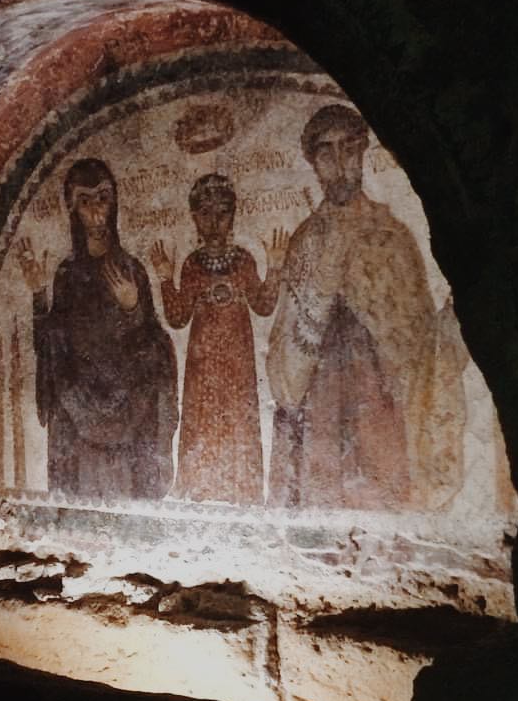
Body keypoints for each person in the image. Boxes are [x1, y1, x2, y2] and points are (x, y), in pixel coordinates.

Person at [266, 104, 437, 510]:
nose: (339, 163)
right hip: (320, 411)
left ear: (361, 152)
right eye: (326, 153)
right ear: (313, 162)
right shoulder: (305, 241)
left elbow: (418, 337)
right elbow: (283, 359)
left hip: (378, 407)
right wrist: (319, 297)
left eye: (347, 149)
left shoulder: (391, 235)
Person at [19, 158, 178, 501]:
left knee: (127, 489)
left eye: (102, 198)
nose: (95, 210)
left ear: (114, 203)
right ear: (73, 208)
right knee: (83, 491)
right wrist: (37, 295)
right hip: (79, 405)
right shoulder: (66, 274)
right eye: (85, 200)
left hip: (128, 408)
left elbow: (154, 344)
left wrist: (132, 307)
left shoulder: (132, 269)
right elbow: (50, 346)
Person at [151, 174, 287, 505]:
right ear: (195, 217)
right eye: (205, 213)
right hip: (203, 365)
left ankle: (242, 491)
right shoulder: (194, 265)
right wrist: (167, 278)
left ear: (233, 216)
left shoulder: (242, 260)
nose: (214, 222)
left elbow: (264, 305)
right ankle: (199, 489)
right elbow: (178, 317)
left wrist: (275, 267)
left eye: (222, 212)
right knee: (201, 422)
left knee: (239, 421)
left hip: (238, 363)